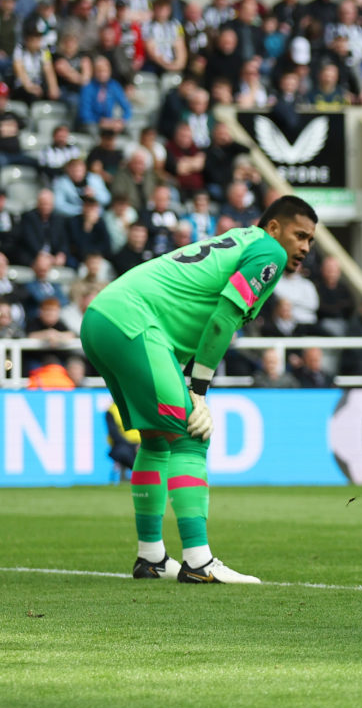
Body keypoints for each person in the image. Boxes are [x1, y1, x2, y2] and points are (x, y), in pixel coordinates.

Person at [80, 195, 318, 584]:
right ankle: (199, 561)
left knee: (157, 440)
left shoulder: (240, 239)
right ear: (274, 228)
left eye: (311, 240)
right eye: (300, 235)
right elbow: (224, 320)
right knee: (192, 435)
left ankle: (152, 558)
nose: (305, 248)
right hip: (136, 324)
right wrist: (199, 393)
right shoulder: (268, 251)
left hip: (102, 318)